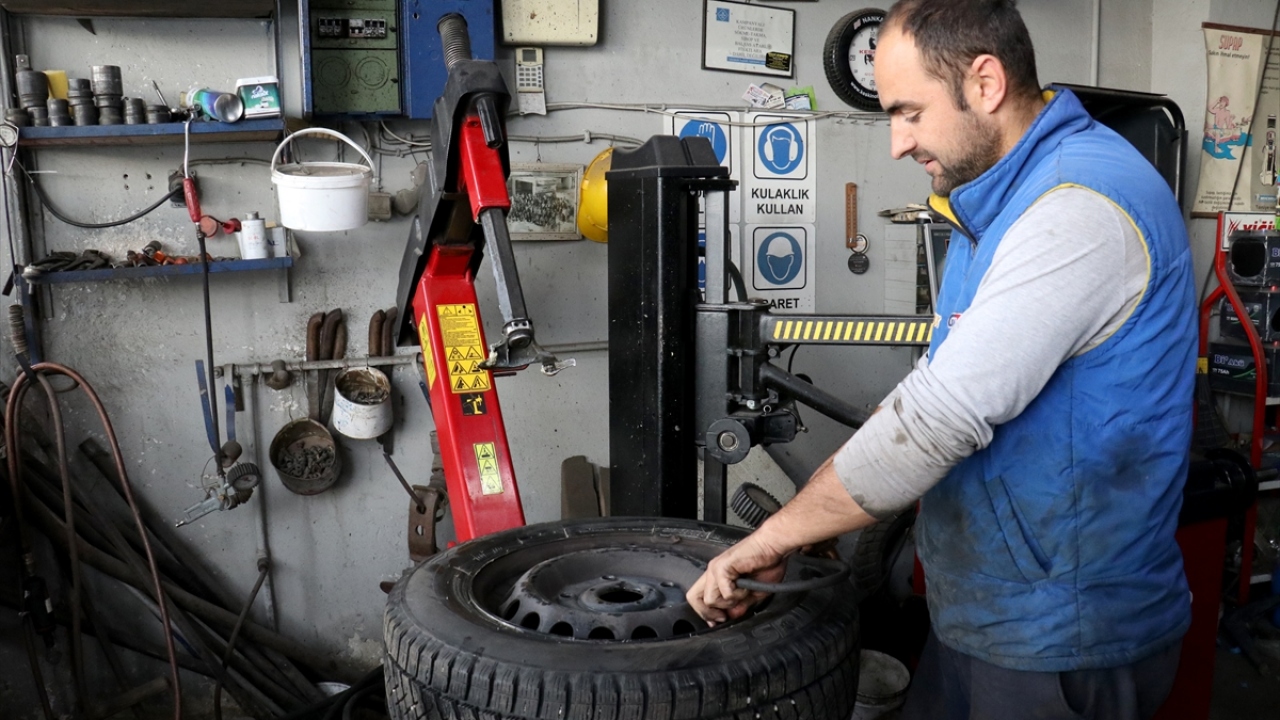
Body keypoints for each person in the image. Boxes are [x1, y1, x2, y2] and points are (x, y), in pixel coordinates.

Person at [686, 1, 1197, 718]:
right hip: (987, 616)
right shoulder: (993, 203)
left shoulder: (1077, 208)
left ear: (984, 83)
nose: (897, 143)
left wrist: (773, 535)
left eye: (909, 113)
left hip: (1064, 640)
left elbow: (934, 423)